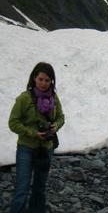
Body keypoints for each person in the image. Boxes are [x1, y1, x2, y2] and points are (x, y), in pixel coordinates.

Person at [8, 62, 65, 213]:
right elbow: (13, 123)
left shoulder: (53, 97)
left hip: (46, 149)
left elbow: (61, 117)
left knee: (40, 188)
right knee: (22, 189)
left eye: (47, 80)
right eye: (40, 79)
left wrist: (55, 126)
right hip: (26, 148)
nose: (43, 83)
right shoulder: (24, 98)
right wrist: (33, 133)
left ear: (51, 81)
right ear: (34, 78)